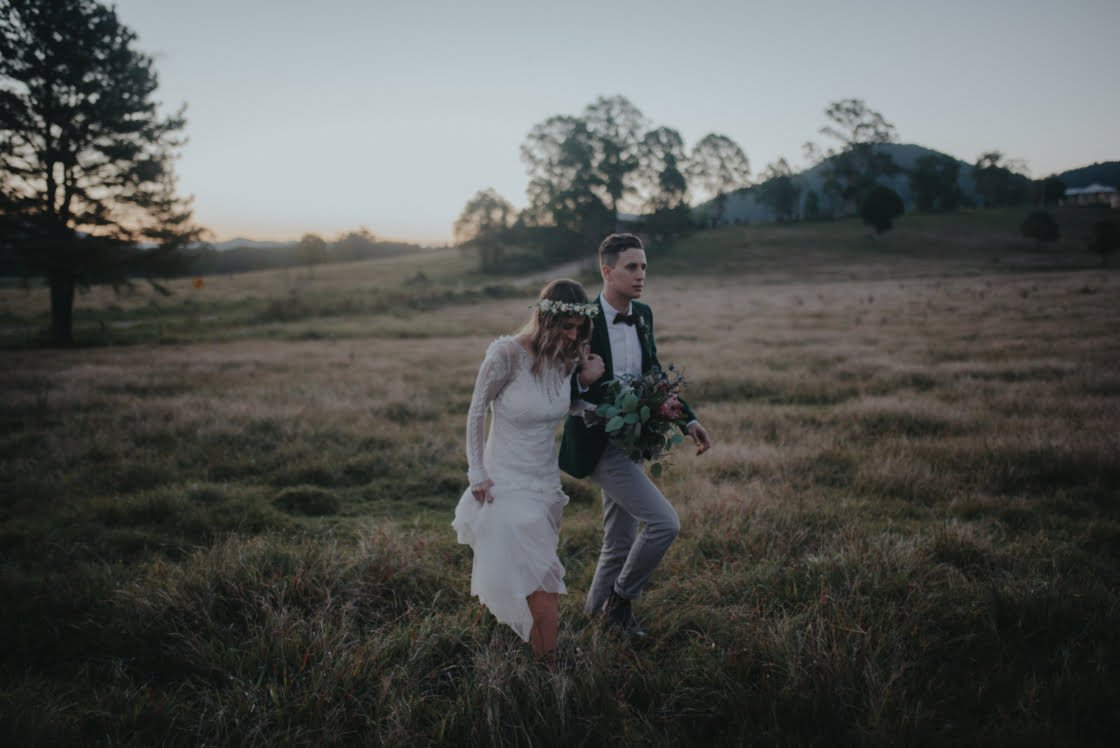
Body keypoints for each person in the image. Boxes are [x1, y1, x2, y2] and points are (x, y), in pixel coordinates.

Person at [559, 233, 712, 637]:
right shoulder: (583, 318)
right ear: (607, 271)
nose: (641, 274)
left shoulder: (642, 313)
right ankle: (620, 601)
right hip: (597, 442)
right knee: (665, 523)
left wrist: (687, 421)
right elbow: (557, 380)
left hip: (633, 442)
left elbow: (654, 372)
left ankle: (594, 620)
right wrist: (582, 380)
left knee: (619, 541)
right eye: (631, 267)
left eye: (643, 266)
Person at [452, 279, 604, 661]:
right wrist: (476, 472)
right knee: (544, 581)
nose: (573, 336)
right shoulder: (506, 354)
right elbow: (476, 410)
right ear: (545, 319)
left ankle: (523, 651)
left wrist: (590, 395)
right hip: (505, 482)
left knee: (527, 574)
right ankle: (550, 669)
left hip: (545, 484)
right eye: (566, 327)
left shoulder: (565, 358)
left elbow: (558, 405)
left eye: (578, 329)